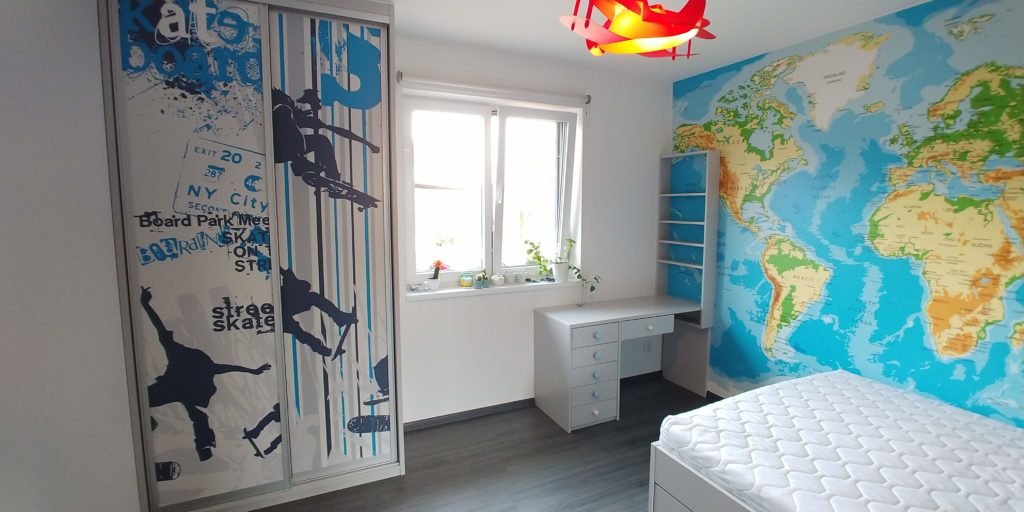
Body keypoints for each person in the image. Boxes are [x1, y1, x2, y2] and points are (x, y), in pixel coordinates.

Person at [141, 287, 272, 461]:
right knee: (197, 416)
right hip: (181, 389)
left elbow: (160, 327)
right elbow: (228, 367)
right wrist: (253, 371)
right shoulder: (191, 357)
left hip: (176, 388)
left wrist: (146, 304)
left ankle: (204, 445)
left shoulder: (179, 352)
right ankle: (204, 445)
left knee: (196, 416)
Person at [271, 88, 380, 184]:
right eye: (317, 102)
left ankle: (330, 177)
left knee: (320, 141)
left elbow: (340, 131)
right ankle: (301, 163)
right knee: (319, 140)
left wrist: (368, 144)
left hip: (284, 150)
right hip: (281, 149)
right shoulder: (284, 108)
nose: (319, 106)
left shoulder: (292, 112)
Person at [280, 267, 356, 360]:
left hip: (283, 302)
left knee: (313, 298)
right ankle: (338, 320)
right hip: (280, 310)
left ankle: (339, 318)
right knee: (297, 329)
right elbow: (300, 334)